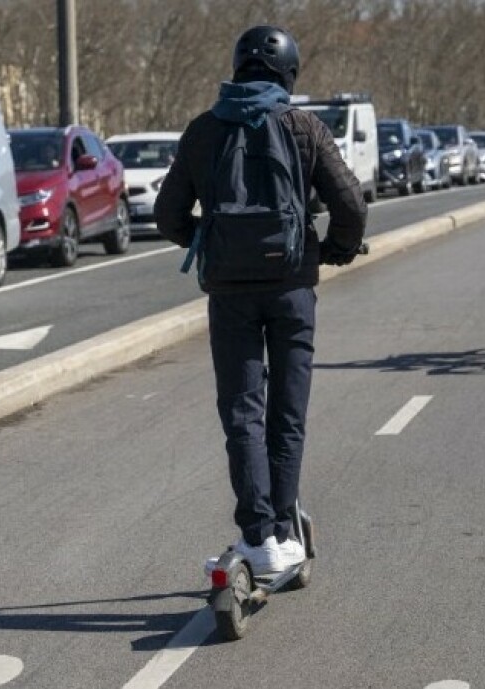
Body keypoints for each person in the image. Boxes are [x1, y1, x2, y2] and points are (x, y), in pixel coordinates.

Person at [154, 25, 367, 575]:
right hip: (292, 287)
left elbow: (167, 215)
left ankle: (257, 535)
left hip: (230, 293)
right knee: (287, 414)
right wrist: (337, 250)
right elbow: (350, 204)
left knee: (242, 413)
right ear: (289, 73)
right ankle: (284, 532)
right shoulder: (304, 127)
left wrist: (207, 240)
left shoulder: (203, 130)